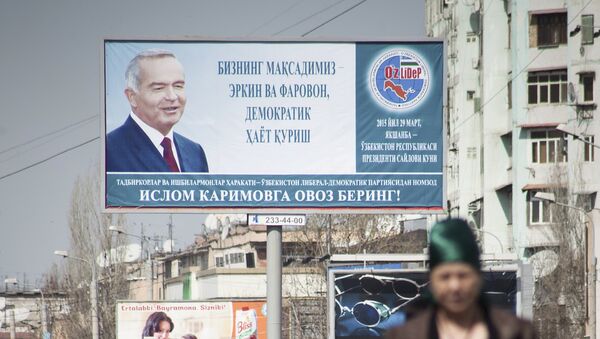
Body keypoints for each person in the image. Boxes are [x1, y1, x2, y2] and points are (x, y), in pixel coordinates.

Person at [384, 218, 537, 339]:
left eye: (463, 275)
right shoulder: (404, 336)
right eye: (445, 277)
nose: (455, 286)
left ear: (478, 276)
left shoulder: (516, 333)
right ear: (431, 279)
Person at [106, 49, 209, 173]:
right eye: (159, 88)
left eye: (178, 86)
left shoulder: (194, 152)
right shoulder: (109, 150)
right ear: (132, 97)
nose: (172, 96)